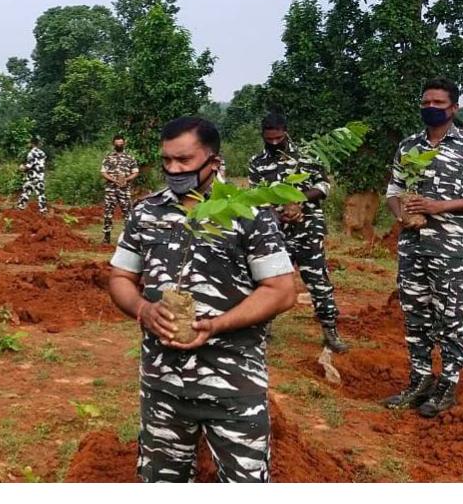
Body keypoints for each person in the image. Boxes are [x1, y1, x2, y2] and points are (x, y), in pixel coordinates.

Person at [109, 116, 296, 482]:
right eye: (167, 161)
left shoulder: (248, 213)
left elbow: (282, 290)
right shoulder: (147, 213)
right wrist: (144, 310)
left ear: (214, 160)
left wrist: (215, 326)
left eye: (184, 161)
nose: (173, 170)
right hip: (163, 387)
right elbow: (120, 277)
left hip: (232, 386)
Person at [383, 78, 463, 417]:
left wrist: (440, 207)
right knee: (415, 313)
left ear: (454, 108)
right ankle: (419, 379)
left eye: (438, 103)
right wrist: (401, 215)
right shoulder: (409, 146)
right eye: (426, 102)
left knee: (450, 316)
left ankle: (448, 383)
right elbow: (392, 191)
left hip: (449, 248)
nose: (431, 108)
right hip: (412, 246)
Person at [247, 113, 347, 353]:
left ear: (286, 132)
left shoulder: (308, 156)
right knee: (266, 281)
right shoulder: (257, 162)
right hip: (273, 232)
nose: (273, 143)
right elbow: (255, 194)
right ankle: (262, 330)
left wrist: (298, 201)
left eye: (278, 138)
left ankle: (330, 331)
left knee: (318, 282)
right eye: (268, 138)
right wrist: (273, 212)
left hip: (308, 229)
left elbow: (323, 187)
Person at [100, 134, 139, 245]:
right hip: (111, 190)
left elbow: (135, 172)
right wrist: (113, 180)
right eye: (117, 143)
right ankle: (107, 237)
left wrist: (126, 179)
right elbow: (103, 172)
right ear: (113, 144)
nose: (119, 145)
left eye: (121, 143)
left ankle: (129, 238)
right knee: (108, 213)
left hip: (124, 190)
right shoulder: (108, 157)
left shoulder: (130, 158)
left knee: (128, 213)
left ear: (124, 143)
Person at [16, 136, 48, 214]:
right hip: (40, 176)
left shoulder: (31, 153)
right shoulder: (42, 153)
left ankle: (20, 207)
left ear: (32, 143)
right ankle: (43, 210)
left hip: (32, 176)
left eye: (29, 143)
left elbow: (29, 166)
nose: (28, 144)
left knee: (26, 190)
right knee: (40, 193)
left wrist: (21, 168)